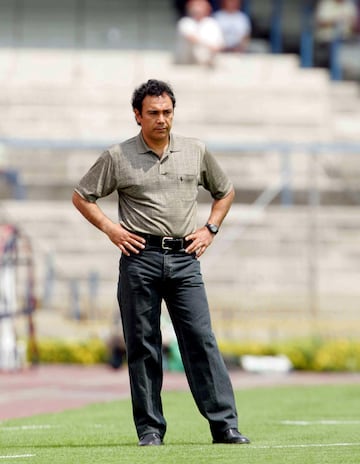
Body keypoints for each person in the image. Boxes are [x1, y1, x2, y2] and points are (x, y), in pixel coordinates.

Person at [72, 79, 250, 447]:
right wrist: (111, 229)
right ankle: (150, 430)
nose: (162, 120)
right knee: (143, 345)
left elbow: (225, 191)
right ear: (137, 116)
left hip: (185, 259)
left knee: (201, 340)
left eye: (167, 112)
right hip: (140, 259)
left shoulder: (195, 151)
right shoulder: (118, 156)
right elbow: (82, 195)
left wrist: (210, 229)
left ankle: (225, 426)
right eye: (153, 113)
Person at [174, 0, 224, 66]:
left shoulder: (212, 23)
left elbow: (220, 44)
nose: (198, 9)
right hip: (186, 61)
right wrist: (210, 46)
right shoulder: (185, 21)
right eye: (196, 7)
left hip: (206, 59)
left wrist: (214, 47)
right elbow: (191, 38)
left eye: (201, 7)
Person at [314, 0, 358, 68]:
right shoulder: (326, 3)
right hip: (327, 39)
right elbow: (320, 22)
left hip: (346, 39)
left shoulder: (349, 4)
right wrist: (335, 21)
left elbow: (355, 24)